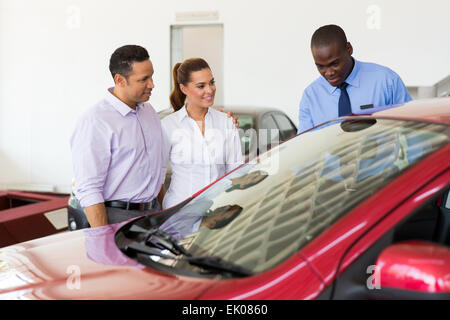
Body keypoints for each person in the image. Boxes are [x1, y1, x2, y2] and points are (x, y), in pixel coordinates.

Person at [70, 45, 166, 228]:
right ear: (120, 80)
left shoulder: (149, 112)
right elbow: (89, 189)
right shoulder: (95, 121)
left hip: (154, 214)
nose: (152, 84)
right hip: (117, 219)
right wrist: (103, 238)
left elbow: (157, 171)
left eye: (152, 76)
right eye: (143, 79)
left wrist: (164, 212)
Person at [161, 58, 244, 209]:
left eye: (211, 82)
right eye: (201, 86)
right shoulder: (168, 126)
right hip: (180, 212)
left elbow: (236, 172)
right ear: (184, 89)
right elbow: (157, 178)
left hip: (218, 210)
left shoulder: (226, 122)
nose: (210, 90)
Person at [298, 24, 412, 133]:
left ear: (349, 49)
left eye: (335, 64)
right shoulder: (310, 97)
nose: (329, 73)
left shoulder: (387, 81)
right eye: (321, 66)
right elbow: (303, 146)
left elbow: (411, 129)